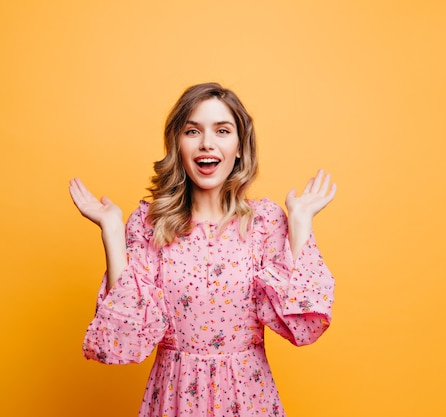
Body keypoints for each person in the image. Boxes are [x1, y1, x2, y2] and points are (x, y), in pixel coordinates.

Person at [69, 82, 336, 417]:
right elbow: (124, 337)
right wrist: (110, 230)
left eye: (222, 130)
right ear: (177, 144)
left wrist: (300, 222)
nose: (207, 143)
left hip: (248, 398)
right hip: (174, 398)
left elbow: (303, 326)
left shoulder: (265, 223)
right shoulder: (149, 225)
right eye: (192, 131)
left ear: (239, 146)